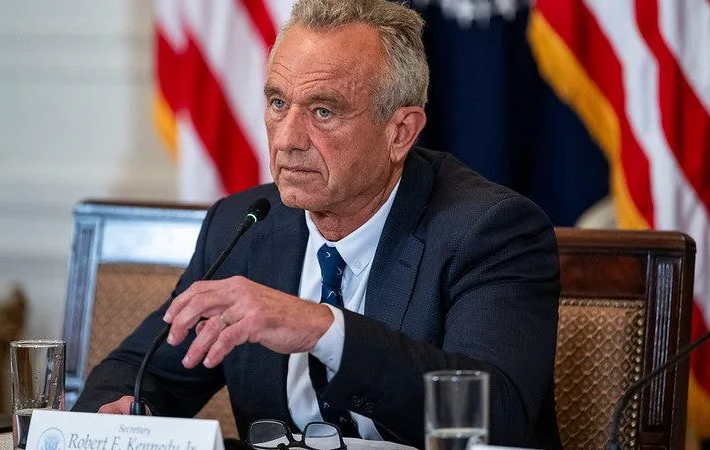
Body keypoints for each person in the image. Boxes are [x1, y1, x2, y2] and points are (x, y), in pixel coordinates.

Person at [73, 0, 562, 448]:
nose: (287, 139)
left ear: (400, 132)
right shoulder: (244, 226)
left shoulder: (489, 229)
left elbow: (497, 414)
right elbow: (140, 371)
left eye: (323, 111)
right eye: (278, 103)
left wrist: (324, 330)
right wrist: (128, 411)